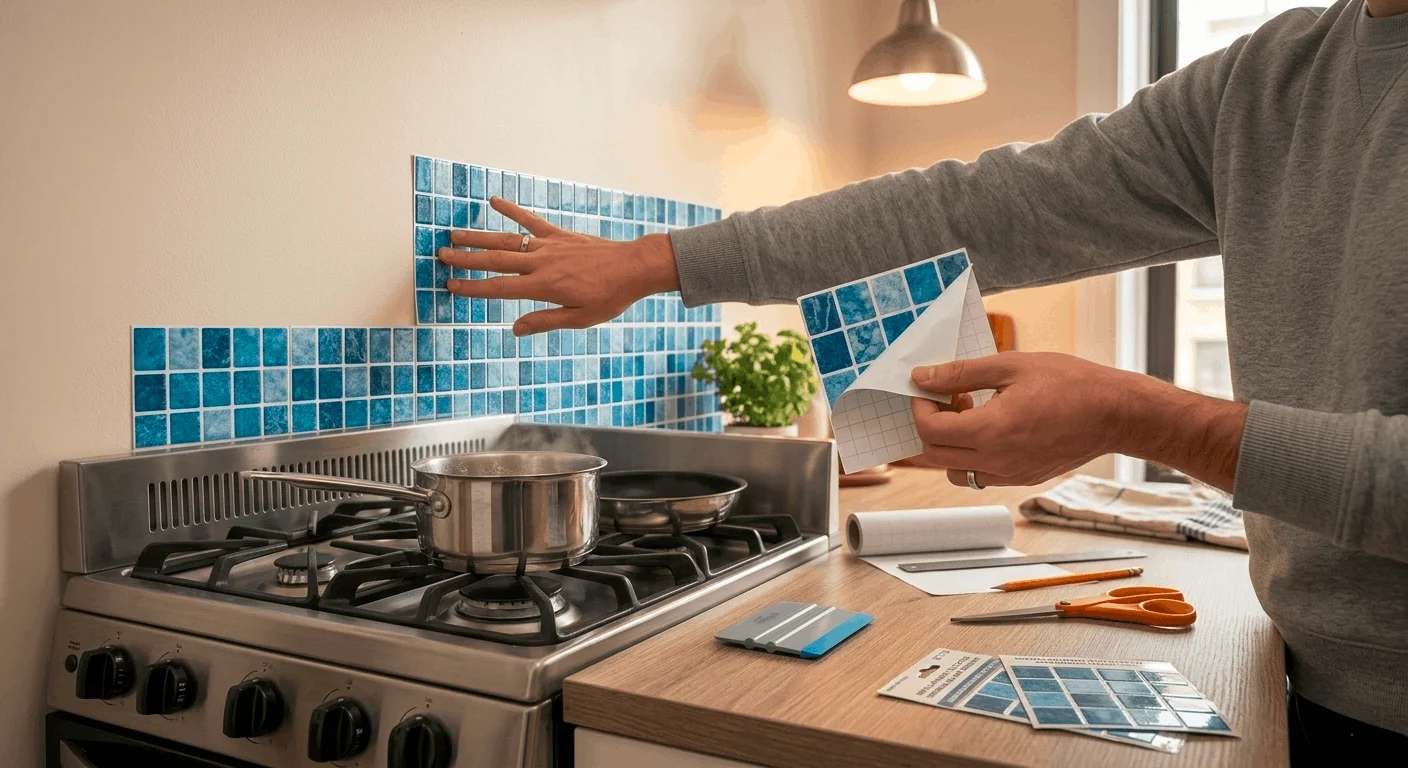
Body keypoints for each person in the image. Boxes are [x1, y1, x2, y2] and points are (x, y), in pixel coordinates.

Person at [438, 0, 1406, 759]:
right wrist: (654, 263)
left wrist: (1135, 415)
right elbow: (969, 205)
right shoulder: (1266, 85)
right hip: (1301, 675)